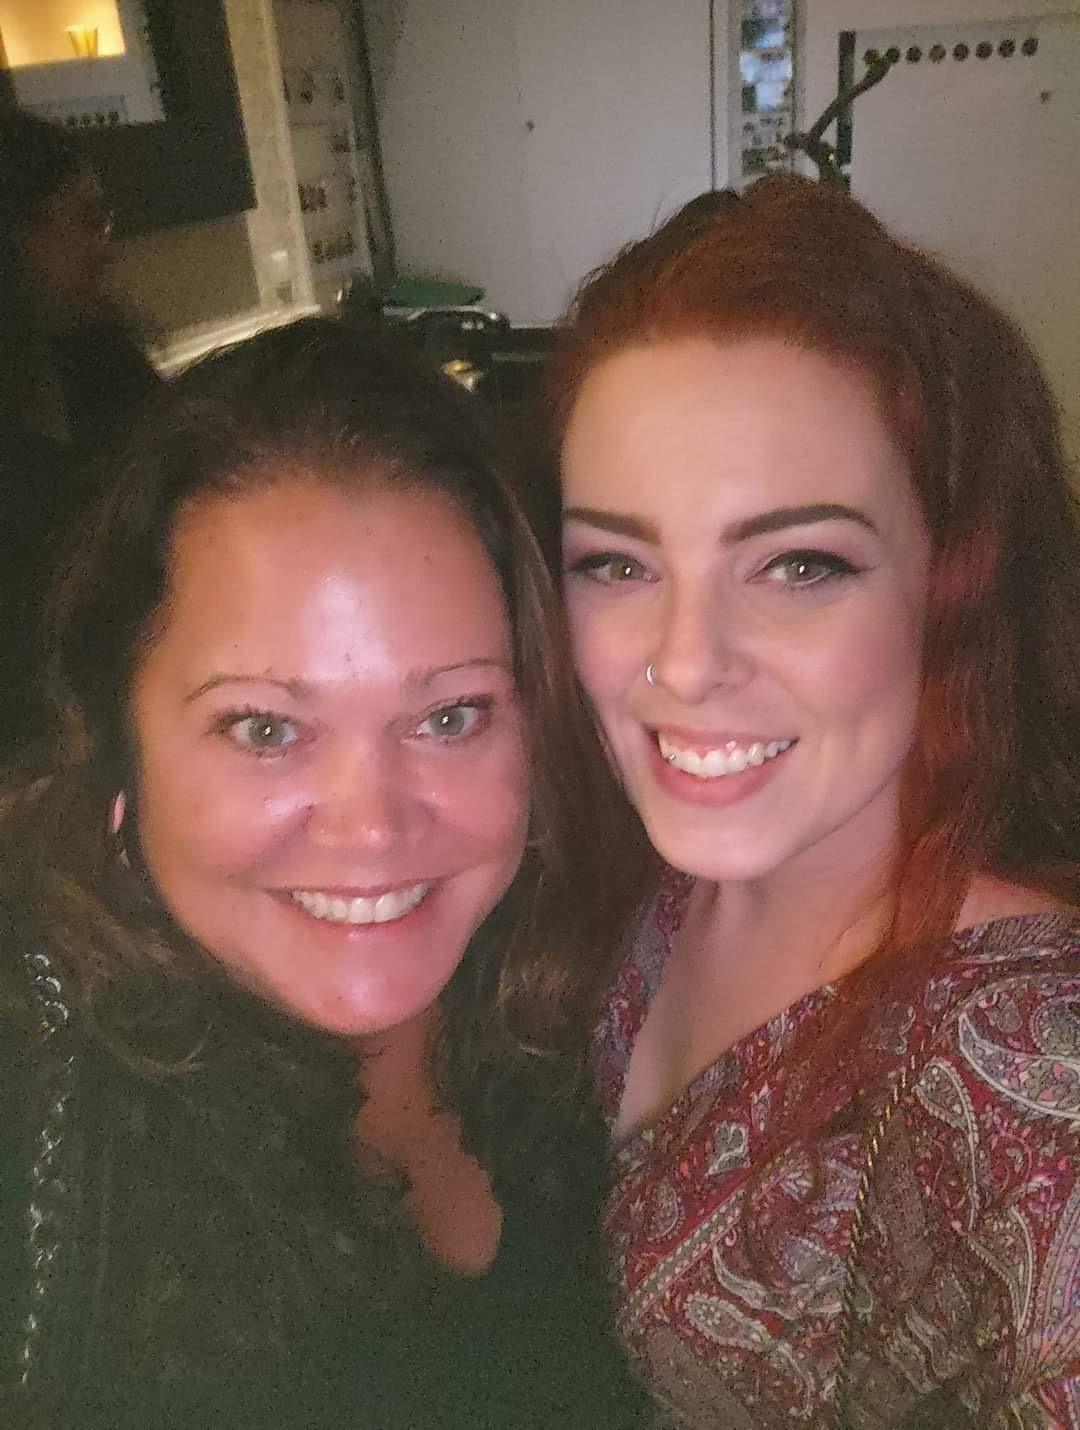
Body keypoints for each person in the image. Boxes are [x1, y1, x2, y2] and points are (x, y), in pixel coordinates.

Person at [0, 318, 649, 1427]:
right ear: (119, 752)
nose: (371, 828)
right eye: (264, 728)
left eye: (451, 716)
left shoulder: (601, 997)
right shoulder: (37, 1096)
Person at [549, 175, 1080, 1427]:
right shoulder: (645, 869)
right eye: (617, 562)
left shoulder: (1032, 1067)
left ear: (952, 583)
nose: (684, 663)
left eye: (798, 564)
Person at [0, 106, 160, 760]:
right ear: (18, 235)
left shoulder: (101, 360)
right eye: (88, 219)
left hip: (117, 700)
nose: (106, 246)